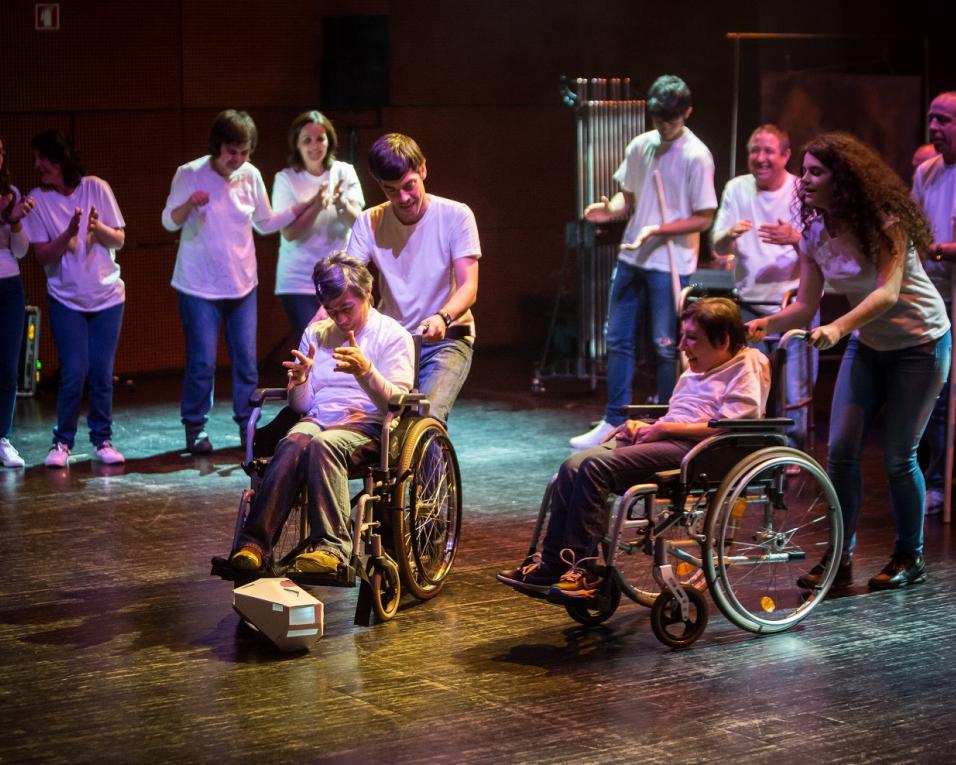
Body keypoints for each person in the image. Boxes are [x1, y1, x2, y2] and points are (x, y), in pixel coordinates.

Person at [747, 132, 950, 590]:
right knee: (840, 452)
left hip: (920, 344)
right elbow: (804, 305)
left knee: (899, 457)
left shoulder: (885, 221)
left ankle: (909, 555)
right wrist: (764, 325)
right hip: (871, 346)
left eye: (816, 171)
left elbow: (888, 291)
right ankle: (839, 556)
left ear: (844, 179)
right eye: (806, 170)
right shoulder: (816, 234)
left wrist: (838, 328)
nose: (805, 180)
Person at [498, 298, 769, 599]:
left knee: (595, 467)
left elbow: (730, 424)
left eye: (692, 338)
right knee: (572, 466)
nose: (682, 345)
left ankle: (584, 572)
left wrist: (663, 428)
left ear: (725, 340)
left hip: (702, 451)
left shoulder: (748, 364)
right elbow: (679, 411)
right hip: (668, 438)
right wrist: (644, 424)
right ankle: (552, 565)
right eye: (682, 336)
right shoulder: (698, 366)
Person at [229, 253, 414, 573]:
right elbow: (302, 406)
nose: (339, 319)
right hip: (320, 417)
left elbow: (395, 405)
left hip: (367, 424)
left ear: (368, 294)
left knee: (323, 444)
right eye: (331, 310)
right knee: (292, 442)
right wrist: (299, 383)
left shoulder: (393, 336)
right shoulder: (316, 333)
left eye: (346, 308)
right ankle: (254, 545)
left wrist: (366, 371)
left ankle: (332, 548)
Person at [571, 74, 718, 449]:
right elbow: (628, 198)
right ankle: (614, 419)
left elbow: (704, 216)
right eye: (658, 119)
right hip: (633, 255)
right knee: (617, 337)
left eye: (670, 119)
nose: (664, 126)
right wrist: (608, 211)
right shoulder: (641, 146)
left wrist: (660, 229)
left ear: (687, 112)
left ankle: (669, 421)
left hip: (671, 262)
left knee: (666, 344)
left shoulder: (696, 156)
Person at [162, 110, 317, 454]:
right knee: (202, 361)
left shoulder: (250, 175)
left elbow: (264, 222)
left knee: (246, 362)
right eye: (232, 151)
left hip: (241, 284)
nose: (238, 159)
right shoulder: (190, 173)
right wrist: (189, 204)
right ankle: (196, 429)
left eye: (245, 152)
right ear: (218, 146)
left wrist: (302, 208)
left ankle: (247, 428)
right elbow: (168, 221)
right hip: (198, 286)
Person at [346, 133, 479, 423]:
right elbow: (350, 283)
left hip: (447, 338)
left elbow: (469, 286)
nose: (404, 198)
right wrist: (323, 317)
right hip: (394, 340)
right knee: (370, 419)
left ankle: (427, 466)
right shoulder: (369, 221)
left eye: (409, 186)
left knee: (425, 418)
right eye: (392, 191)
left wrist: (442, 318)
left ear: (423, 170)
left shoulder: (456, 215)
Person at [22, 131, 127, 468]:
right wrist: (67, 233)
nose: (38, 166)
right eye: (36, 159)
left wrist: (97, 230)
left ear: (61, 160)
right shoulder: (37, 200)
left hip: (107, 296)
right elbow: (42, 256)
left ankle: (103, 439)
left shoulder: (96, 186)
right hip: (67, 299)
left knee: (101, 371)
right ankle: (62, 443)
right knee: (74, 371)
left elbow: (120, 239)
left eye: (43, 158)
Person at [711, 124, 815, 447]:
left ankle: (793, 454)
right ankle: (755, 456)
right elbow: (717, 245)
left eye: (769, 150)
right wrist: (729, 237)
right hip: (749, 305)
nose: (760, 157)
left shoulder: (801, 190)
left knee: (794, 391)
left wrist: (795, 239)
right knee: (751, 387)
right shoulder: (737, 188)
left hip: (792, 306)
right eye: (755, 150)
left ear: (785, 155)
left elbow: (821, 250)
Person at [273, 110, 365, 342]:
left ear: (329, 140)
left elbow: (359, 223)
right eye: (307, 140)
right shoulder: (285, 178)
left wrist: (340, 201)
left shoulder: (344, 171)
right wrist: (316, 205)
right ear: (297, 144)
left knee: (346, 342)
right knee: (312, 345)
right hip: (298, 280)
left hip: (340, 277)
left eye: (320, 139)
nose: (315, 146)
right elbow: (290, 232)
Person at [913, 93, 956, 516]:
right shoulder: (927, 172)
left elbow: (934, 244)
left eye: (943, 120)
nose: (934, 128)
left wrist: (941, 249)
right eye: (931, 119)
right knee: (935, 397)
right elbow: (915, 227)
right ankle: (936, 482)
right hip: (935, 299)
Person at [0, 137, 35, 468]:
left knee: (8, 367)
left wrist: (13, 220)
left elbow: (22, 250)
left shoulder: (10, 192)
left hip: (9, 283)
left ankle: (3, 437)